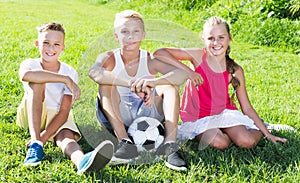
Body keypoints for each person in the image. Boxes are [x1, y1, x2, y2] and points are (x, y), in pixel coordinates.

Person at [153, 16, 287, 150]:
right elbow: (159, 53)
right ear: (203, 40)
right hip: (199, 117)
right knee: (220, 143)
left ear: (229, 38)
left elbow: (246, 107)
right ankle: (226, 132)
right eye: (211, 38)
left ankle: (258, 126)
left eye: (221, 37)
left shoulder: (235, 70)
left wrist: (268, 134)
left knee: (247, 142)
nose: (216, 42)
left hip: (224, 114)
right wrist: (189, 72)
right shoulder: (198, 56)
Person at [89, 10, 188, 171]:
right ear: (116, 36)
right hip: (119, 113)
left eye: (136, 32)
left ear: (143, 35)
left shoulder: (149, 59)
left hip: (147, 110)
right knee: (105, 84)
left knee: (169, 85)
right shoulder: (109, 57)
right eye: (124, 32)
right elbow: (94, 72)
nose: (131, 37)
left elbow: (181, 74)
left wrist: (152, 82)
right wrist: (131, 84)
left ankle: (170, 145)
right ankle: (125, 143)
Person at [16, 22, 114, 174]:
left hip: (58, 116)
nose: (51, 48)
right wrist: (64, 79)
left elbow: (63, 111)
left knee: (67, 137)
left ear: (63, 47)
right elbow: (26, 75)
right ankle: (35, 144)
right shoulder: (30, 63)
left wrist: (45, 137)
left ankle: (81, 161)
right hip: (33, 113)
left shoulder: (70, 71)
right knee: (37, 82)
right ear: (37, 44)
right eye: (46, 43)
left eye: (56, 44)